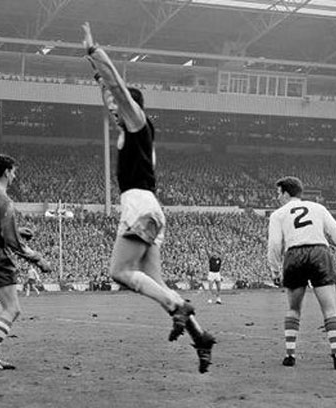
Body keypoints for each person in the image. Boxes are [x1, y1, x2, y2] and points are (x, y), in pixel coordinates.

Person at [81, 22, 215, 373]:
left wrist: (95, 54)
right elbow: (111, 95)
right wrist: (97, 79)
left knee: (120, 272)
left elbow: (119, 91)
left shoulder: (138, 121)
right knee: (155, 283)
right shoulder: (133, 132)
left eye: (117, 105)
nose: (112, 109)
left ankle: (179, 307)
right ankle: (200, 337)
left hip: (140, 205)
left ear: (132, 107)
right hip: (150, 208)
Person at [0, 154, 52, 370]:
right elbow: (12, 243)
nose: (14, 176)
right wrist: (38, 259)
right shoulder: (4, 200)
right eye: (13, 172)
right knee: (12, 309)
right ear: (6, 172)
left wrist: (16, 230)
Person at [267, 176, 336, 370]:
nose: (277, 197)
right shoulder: (318, 208)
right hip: (319, 253)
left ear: (286, 193)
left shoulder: (278, 214)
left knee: (294, 308)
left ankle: (290, 355)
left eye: (278, 193)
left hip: (294, 255)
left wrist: (274, 269)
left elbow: (274, 244)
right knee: (330, 309)